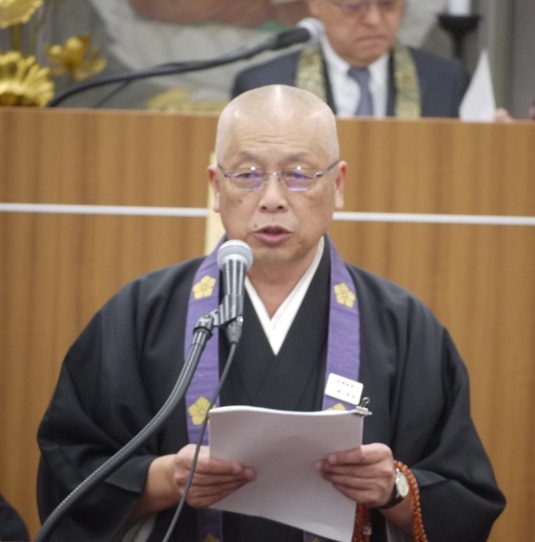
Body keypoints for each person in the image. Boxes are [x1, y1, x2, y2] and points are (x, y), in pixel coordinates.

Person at [37, 84, 505, 542]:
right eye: (247, 174)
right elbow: (66, 474)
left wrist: (393, 488)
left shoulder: (404, 326)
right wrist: (165, 480)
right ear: (216, 187)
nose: (273, 197)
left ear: (338, 185)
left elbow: (466, 501)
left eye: (299, 173)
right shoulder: (140, 314)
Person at [232, 0, 471, 118]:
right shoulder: (265, 87)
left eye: (387, 4)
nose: (374, 20)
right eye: (354, 6)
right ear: (315, 5)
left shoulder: (447, 82)